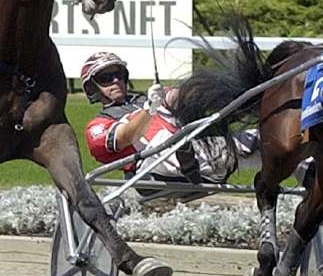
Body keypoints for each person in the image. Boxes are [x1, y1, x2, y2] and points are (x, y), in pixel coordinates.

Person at [81, 52, 256, 187]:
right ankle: (185, 156)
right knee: (165, 138)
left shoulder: (154, 96)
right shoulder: (98, 125)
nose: (116, 80)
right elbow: (126, 136)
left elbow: (182, 95)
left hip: (203, 152)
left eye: (119, 74)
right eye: (106, 78)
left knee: (268, 136)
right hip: (152, 169)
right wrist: (150, 108)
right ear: (91, 87)